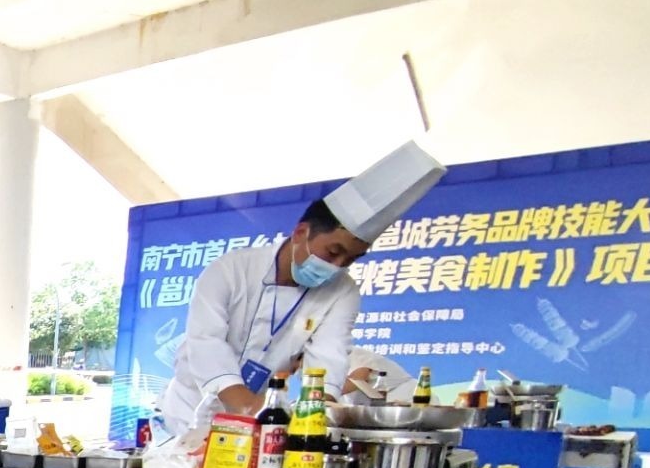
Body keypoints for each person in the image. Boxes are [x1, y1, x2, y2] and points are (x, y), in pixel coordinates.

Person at [156, 141, 446, 433]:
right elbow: (205, 342)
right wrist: (245, 406)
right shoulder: (230, 270)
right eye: (333, 252)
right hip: (191, 411)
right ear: (300, 233)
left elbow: (329, 356)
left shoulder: (342, 292)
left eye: (351, 259)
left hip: (261, 419)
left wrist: (317, 417)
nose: (338, 265)